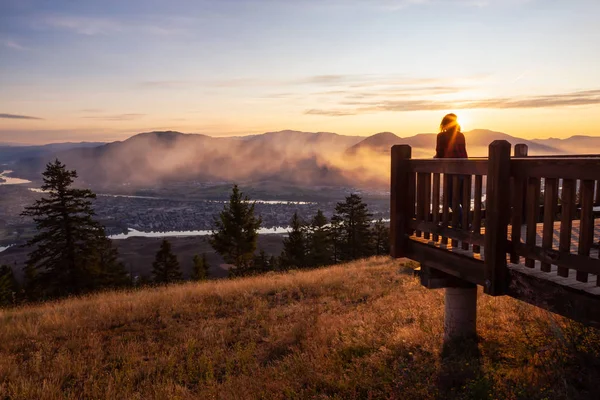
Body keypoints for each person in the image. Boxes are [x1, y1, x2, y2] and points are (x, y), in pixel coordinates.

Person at [434, 113, 468, 226]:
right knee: (461, 199)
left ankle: (463, 223)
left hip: (451, 171)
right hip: (464, 170)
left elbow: (440, 153)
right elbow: (463, 153)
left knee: (449, 199)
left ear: (444, 123)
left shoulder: (441, 136)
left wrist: (434, 159)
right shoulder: (461, 135)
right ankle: (464, 223)